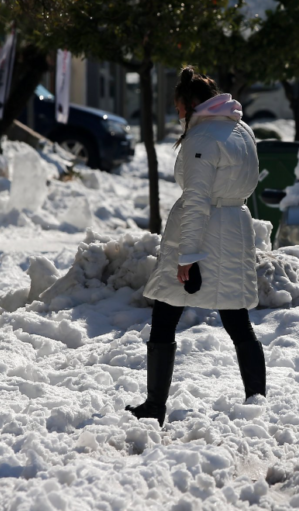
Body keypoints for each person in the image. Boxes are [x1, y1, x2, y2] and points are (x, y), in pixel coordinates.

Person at [126, 67, 266, 427]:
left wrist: (187, 255)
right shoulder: (241, 130)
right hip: (235, 229)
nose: (178, 115)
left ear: (189, 104)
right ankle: (257, 401)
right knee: (237, 320)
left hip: (204, 234)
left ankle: (155, 406)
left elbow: (197, 199)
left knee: (165, 314)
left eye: (178, 108)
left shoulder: (202, 138)